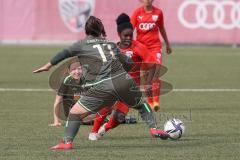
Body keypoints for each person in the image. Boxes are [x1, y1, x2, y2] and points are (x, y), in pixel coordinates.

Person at [33, 16, 169, 150]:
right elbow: (128, 64)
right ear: (101, 30)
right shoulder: (110, 44)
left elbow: (63, 54)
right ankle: (154, 129)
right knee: (142, 105)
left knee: (74, 113)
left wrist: (48, 65)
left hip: (104, 85)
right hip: (124, 81)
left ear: (86, 31)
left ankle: (67, 142)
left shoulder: (81, 44)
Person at [88, 13, 167, 141]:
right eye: (126, 35)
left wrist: (148, 83)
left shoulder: (138, 47)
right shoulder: (113, 48)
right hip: (114, 86)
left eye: (131, 35)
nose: (128, 38)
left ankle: (104, 128)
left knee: (119, 118)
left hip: (130, 89)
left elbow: (153, 65)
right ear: (119, 35)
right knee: (107, 105)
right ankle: (93, 131)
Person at [131, 0, 172, 111]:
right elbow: (130, 30)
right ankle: (150, 101)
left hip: (155, 47)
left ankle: (156, 101)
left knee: (155, 73)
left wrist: (167, 44)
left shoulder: (158, 12)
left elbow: (162, 28)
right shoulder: (137, 13)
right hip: (142, 49)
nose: (148, 0)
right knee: (145, 77)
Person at [49, 60, 84, 127]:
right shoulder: (67, 81)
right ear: (69, 71)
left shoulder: (87, 80)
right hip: (73, 113)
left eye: (79, 69)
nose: (77, 72)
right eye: (73, 69)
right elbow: (57, 101)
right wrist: (56, 121)